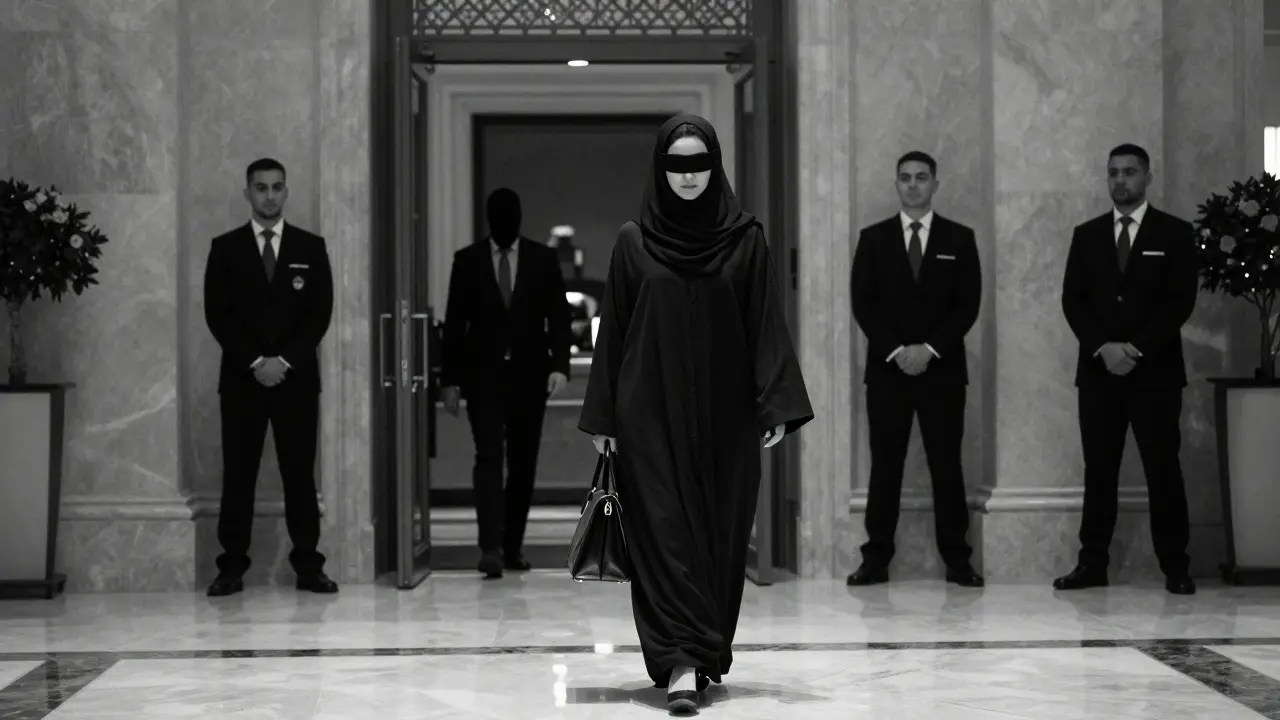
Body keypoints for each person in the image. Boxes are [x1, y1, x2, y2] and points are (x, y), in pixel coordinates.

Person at [578, 114, 813, 713]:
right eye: (677, 165)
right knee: (662, 533)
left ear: (715, 166)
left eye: (698, 163)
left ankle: (701, 651)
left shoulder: (745, 240)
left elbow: (764, 322)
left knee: (717, 536)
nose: (688, 177)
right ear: (661, 168)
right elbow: (618, 332)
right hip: (647, 419)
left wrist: (776, 403)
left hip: (726, 420)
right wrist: (605, 418)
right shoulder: (634, 242)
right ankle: (682, 662)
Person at [1056, 143, 1197, 596]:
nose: (1120, 180)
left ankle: (1176, 565)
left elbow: (1180, 301)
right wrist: (1103, 348)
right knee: (1099, 471)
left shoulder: (1174, 233)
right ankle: (1092, 564)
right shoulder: (1087, 234)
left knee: (1163, 470)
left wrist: (1134, 348)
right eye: (1113, 172)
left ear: (1147, 178)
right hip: (1099, 374)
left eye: (1130, 172)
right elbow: (1072, 300)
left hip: (1155, 374)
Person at [846, 151, 984, 589]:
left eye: (921, 178)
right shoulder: (874, 239)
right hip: (887, 372)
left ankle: (958, 559)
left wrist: (927, 349)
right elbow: (862, 303)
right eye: (904, 178)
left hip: (942, 372)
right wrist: (898, 351)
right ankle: (875, 559)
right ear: (896, 184)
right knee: (885, 466)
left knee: (947, 465)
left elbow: (968, 305)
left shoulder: (960, 239)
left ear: (934, 184)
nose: (912, 185)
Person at [203, 158, 337, 597]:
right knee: (238, 475)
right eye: (260, 188)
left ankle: (308, 566)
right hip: (243, 381)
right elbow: (217, 316)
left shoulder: (310, 248)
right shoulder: (225, 249)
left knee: (299, 475)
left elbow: (319, 315)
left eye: (277, 187)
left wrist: (284, 362)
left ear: (286, 191)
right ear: (247, 193)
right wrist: (257, 362)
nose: (269, 196)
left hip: (295, 382)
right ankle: (231, 567)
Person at [440, 188, 572, 579]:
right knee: (488, 459)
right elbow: (454, 323)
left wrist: (561, 366)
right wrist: (449, 381)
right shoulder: (466, 261)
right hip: (482, 377)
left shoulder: (543, 259)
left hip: (530, 376)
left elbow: (560, 316)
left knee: (522, 462)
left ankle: (512, 545)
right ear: (488, 219)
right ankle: (491, 547)